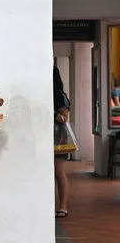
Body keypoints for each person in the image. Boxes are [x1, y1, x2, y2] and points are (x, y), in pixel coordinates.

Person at [54, 66, 71, 218]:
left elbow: (64, 118)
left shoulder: (60, 96)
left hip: (58, 138)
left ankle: (62, 206)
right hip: (44, 138)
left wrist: (53, 114)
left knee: (59, 173)